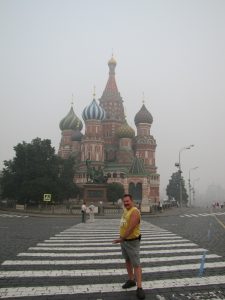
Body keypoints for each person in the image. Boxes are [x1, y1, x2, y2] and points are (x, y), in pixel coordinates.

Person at [112, 194, 145, 300]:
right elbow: (125, 224)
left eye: (127, 201)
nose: (126, 203)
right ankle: (131, 280)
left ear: (132, 201)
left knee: (136, 264)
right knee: (127, 260)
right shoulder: (126, 210)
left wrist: (121, 239)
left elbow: (131, 227)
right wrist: (122, 238)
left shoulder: (135, 211)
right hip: (125, 241)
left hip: (132, 241)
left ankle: (139, 287)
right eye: (124, 201)